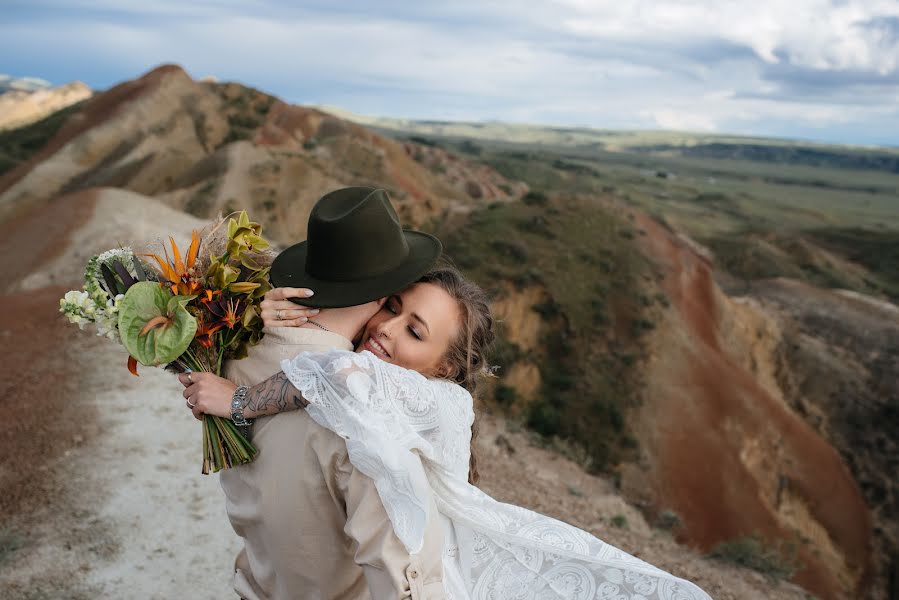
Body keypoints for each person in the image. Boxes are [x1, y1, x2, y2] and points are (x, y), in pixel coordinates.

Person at [183, 192, 713, 599]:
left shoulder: (267, 363)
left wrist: (243, 375)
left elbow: (338, 374)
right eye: (392, 307)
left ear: (443, 369)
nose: (387, 330)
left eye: (415, 332)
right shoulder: (356, 420)